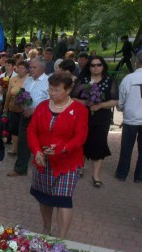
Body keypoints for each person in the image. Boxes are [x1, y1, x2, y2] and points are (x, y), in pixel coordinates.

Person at [27, 72, 88, 238]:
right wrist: (37, 151)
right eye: (50, 89)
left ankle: (62, 239)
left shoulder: (79, 110)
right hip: (43, 161)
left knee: (63, 199)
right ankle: (47, 228)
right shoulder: (42, 107)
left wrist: (63, 148)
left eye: (56, 90)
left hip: (67, 162)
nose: (51, 93)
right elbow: (32, 130)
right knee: (44, 197)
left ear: (68, 90)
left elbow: (80, 136)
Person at [71, 56, 118, 186]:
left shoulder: (109, 80)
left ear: (103, 66)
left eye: (99, 65)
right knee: (82, 141)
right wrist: (87, 102)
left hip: (102, 117)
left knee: (99, 142)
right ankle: (80, 167)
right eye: (93, 65)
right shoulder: (83, 80)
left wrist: (101, 105)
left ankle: (96, 175)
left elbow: (115, 100)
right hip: (84, 115)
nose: (96, 67)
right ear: (89, 67)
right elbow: (73, 98)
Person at [8, 58, 49, 177]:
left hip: (41, 117)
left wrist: (35, 110)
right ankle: (20, 169)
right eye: (30, 67)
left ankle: (43, 169)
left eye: (34, 67)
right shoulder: (28, 80)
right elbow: (23, 94)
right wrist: (21, 103)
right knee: (23, 142)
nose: (31, 69)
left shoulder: (48, 81)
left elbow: (50, 101)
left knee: (43, 143)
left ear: (42, 68)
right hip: (25, 115)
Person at [115, 51, 142, 182]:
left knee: (126, 147)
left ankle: (122, 173)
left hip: (131, 118)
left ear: (136, 61)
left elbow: (121, 99)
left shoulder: (129, 78)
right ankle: (139, 176)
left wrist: (121, 108)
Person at [4, 60, 30, 156]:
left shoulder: (30, 79)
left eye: (22, 68)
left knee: (24, 130)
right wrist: (5, 107)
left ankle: (23, 149)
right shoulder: (13, 79)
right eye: (18, 68)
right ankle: (14, 149)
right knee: (14, 129)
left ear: (27, 70)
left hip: (25, 110)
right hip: (13, 108)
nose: (19, 70)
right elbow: (8, 94)